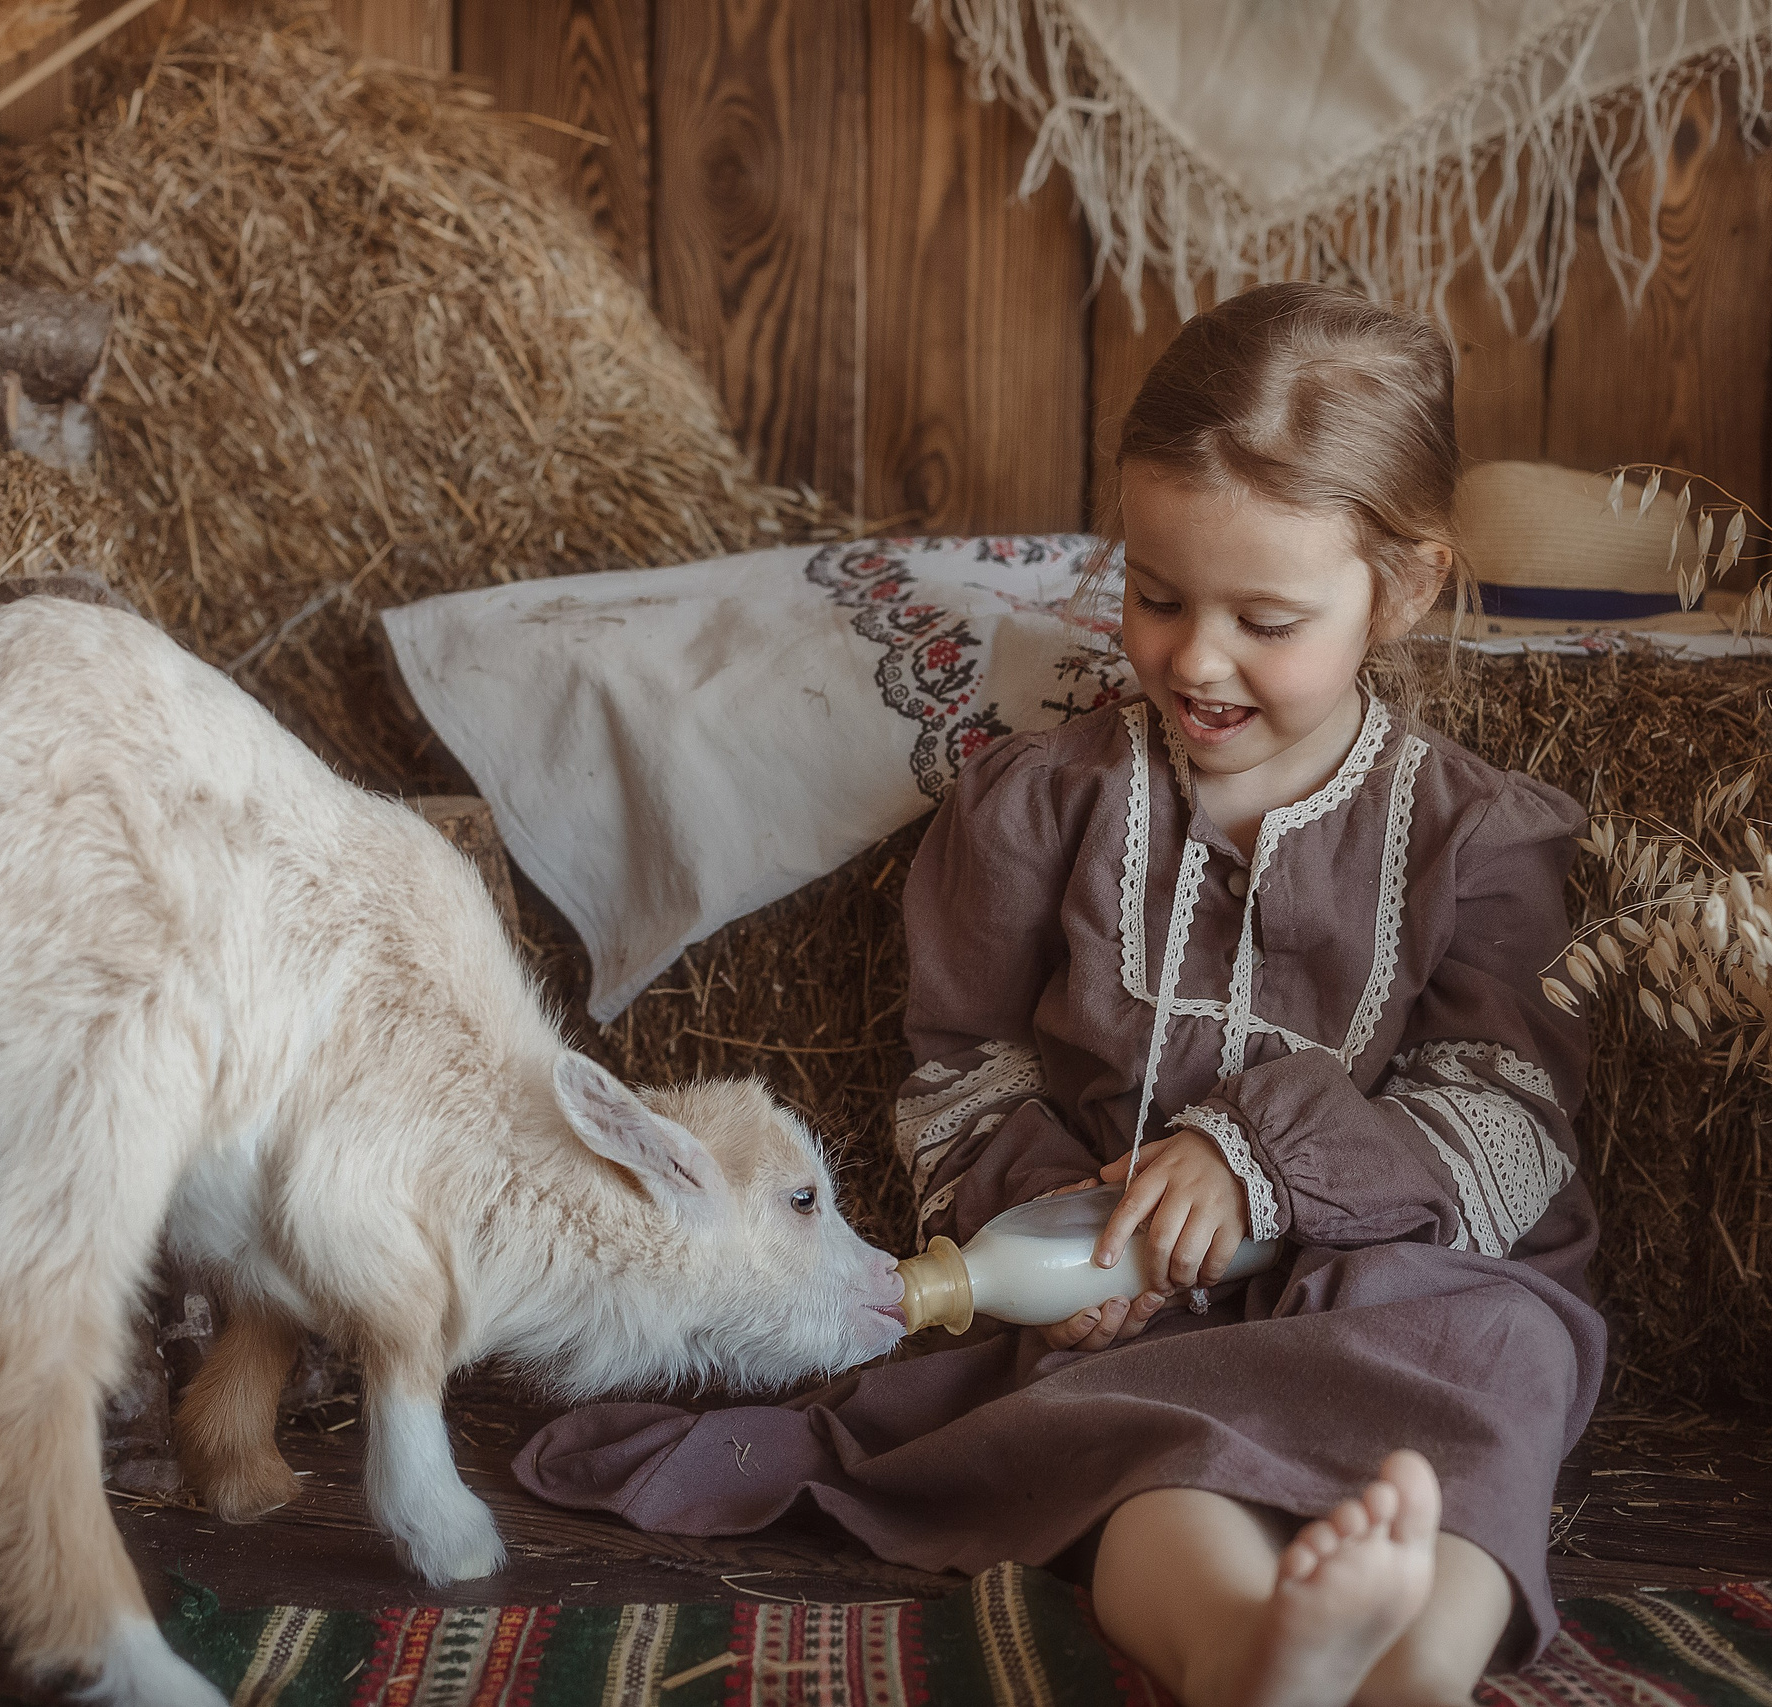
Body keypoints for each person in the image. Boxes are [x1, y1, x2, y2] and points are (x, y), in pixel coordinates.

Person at [514, 282, 1604, 1707]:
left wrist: (1258, 1158)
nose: (1195, 658)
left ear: (1403, 590)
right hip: (1124, 1290)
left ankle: (1420, 1667)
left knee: (1498, 1359)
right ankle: (1242, 1649)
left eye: (1264, 619)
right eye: (1158, 596)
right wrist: (1055, 1229)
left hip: (1385, 1271)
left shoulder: (1484, 840)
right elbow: (961, 1063)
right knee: (1138, 1444)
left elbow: (1506, 1111)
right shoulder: (1043, 808)